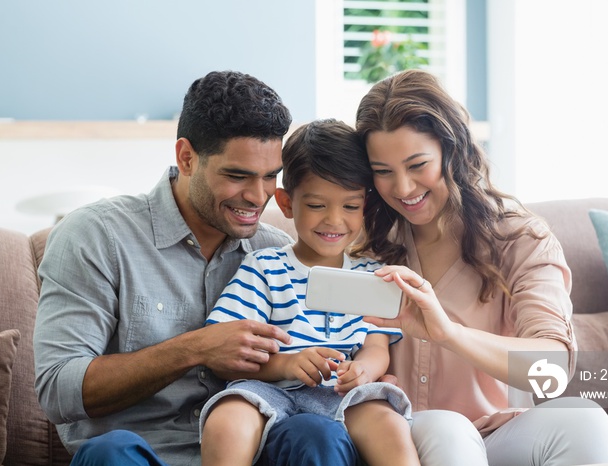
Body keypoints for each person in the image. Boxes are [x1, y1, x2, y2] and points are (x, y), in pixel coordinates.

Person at [33, 71, 362, 466]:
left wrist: (366, 374)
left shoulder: (278, 253)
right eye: (237, 176)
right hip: (139, 454)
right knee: (109, 453)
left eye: (269, 177)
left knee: (317, 432)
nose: (258, 197)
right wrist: (195, 349)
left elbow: (344, 341)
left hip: (254, 452)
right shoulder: (96, 235)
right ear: (186, 157)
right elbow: (58, 391)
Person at [351, 69, 608, 466]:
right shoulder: (362, 240)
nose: (404, 188)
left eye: (418, 164)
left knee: (585, 421)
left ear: (452, 151)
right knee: (448, 428)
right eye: (383, 171)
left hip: (496, 436)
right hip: (404, 438)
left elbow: (552, 367)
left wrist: (450, 334)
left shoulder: (518, 238)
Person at [199, 119, 419, 466]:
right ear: (287, 204)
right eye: (317, 205)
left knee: (389, 425)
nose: (334, 220)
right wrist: (287, 364)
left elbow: (377, 347)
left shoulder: (372, 276)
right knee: (228, 421)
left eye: (350, 206)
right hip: (270, 389)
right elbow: (229, 351)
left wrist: (364, 370)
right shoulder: (264, 266)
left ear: (365, 206)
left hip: (344, 393)